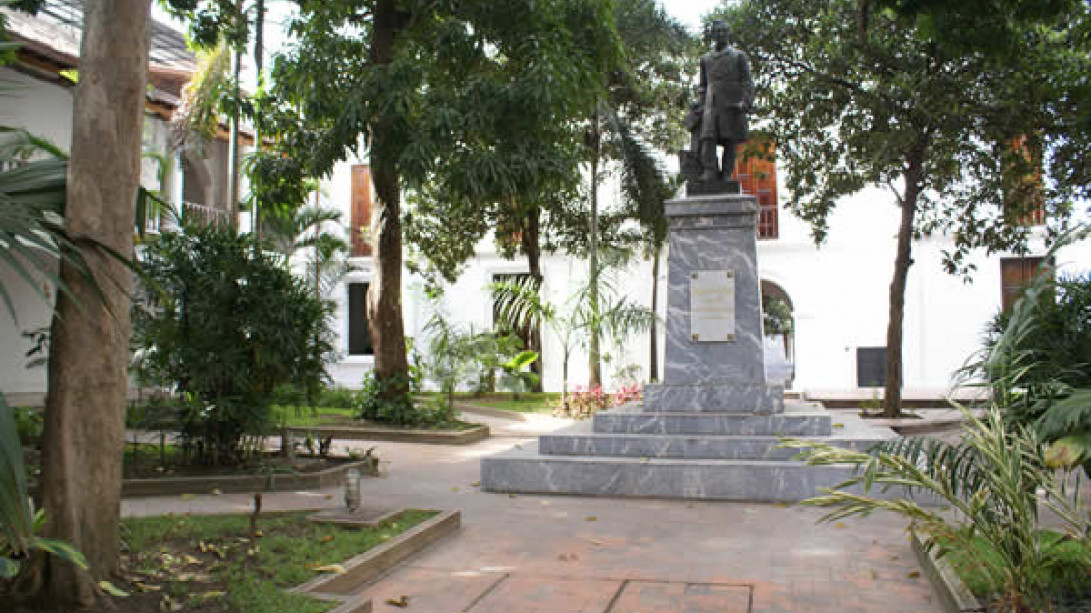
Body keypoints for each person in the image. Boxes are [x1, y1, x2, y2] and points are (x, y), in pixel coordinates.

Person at [696, 20, 753, 183]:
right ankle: (710, 171)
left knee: (730, 140)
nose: (720, 34)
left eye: (724, 31)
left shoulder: (738, 56)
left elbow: (747, 82)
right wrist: (699, 102)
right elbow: (703, 85)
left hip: (732, 102)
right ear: (712, 35)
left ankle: (727, 173)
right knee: (708, 138)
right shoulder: (705, 59)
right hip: (711, 102)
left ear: (728, 33)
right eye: (717, 31)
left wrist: (745, 102)